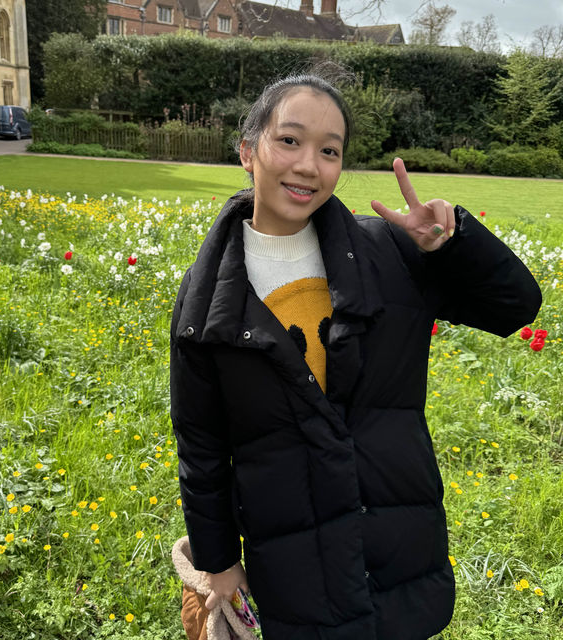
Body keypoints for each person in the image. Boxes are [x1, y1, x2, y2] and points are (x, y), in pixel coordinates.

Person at [169, 68, 542, 640]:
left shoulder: (388, 255)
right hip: (297, 566)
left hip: (398, 550)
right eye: (289, 141)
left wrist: (452, 247)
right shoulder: (209, 297)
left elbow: (515, 306)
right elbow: (202, 444)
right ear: (248, 151)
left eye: (329, 150)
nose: (308, 165)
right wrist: (218, 561)